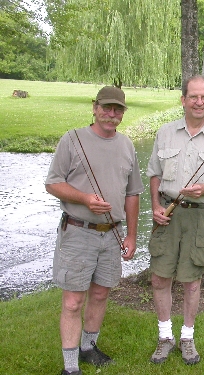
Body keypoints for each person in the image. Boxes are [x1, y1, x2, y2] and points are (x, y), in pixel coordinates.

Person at [46, 86, 144, 375]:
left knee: (101, 294)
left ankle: (89, 348)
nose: (111, 114)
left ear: (123, 114)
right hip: (78, 232)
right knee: (74, 300)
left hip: (112, 235)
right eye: (106, 108)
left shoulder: (127, 145)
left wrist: (131, 236)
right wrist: (85, 199)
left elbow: (133, 194)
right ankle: (70, 366)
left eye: (118, 110)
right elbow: (53, 183)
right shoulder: (72, 139)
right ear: (94, 107)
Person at [146, 75, 204, 365]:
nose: (199, 102)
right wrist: (155, 205)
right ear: (183, 100)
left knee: (192, 281)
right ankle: (164, 337)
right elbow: (154, 174)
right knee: (160, 277)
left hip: (202, 215)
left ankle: (187, 337)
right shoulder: (165, 132)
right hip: (168, 215)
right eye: (193, 97)